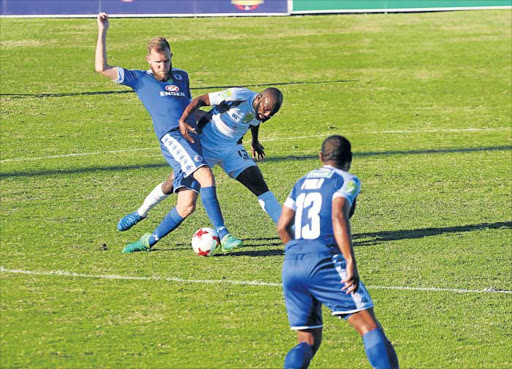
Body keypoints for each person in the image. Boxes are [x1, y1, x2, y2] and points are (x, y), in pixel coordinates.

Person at [95, 12, 242, 253]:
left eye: (165, 61)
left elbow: (187, 111)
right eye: (157, 62)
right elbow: (101, 68)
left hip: (192, 138)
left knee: (186, 206)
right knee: (206, 176)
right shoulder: (139, 78)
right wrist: (103, 30)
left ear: (171, 57)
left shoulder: (182, 77)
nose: (162, 67)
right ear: (148, 60)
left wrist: (214, 114)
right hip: (172, 137)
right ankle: (224, 235)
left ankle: (146, 241)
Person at [277, 135, 399, 369]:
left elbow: (283, 225)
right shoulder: (347, 180)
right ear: (349, 159)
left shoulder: (302, 181)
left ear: (321, 157)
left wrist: (297, 252)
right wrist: (350, 262)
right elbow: (337, 215)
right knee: (368, 326)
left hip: (292, 264)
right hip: (325, 261)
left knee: (307, 340)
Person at [116, 87, 284, 232]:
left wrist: (254, 141)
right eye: (265, 109)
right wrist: (182, 121)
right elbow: (201, 100)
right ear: (258, 98)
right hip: (205, 146)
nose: (267, 114)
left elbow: (253, 121)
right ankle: (140, 213)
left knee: (259, 186)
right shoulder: (237, 96)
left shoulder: (261, 112)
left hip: (232, 149)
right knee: (173, 182)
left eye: (272, 113)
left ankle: (288, 232)